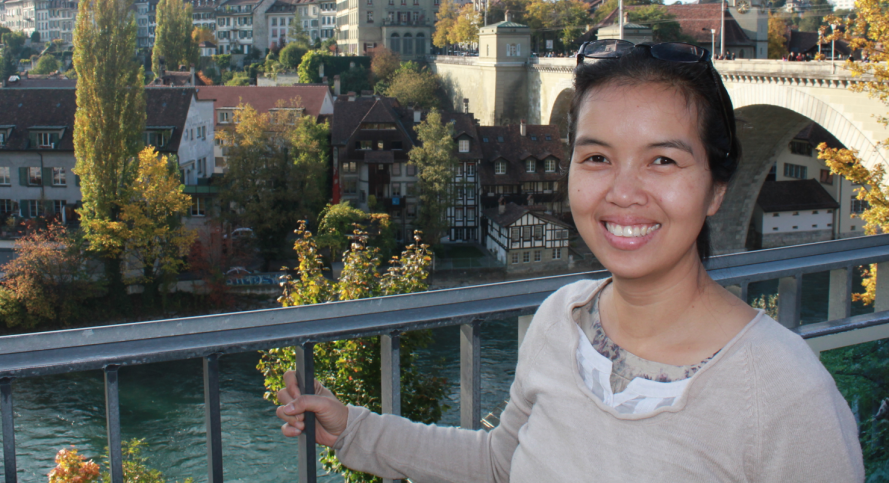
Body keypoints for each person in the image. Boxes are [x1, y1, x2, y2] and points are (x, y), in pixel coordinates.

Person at [275, 40, 864, 482]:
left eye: (662, 161)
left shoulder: (786, 397)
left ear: (716, 189)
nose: (623, 191)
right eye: (597, 158)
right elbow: (501, 462)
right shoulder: (562, 319)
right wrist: (354, 429)